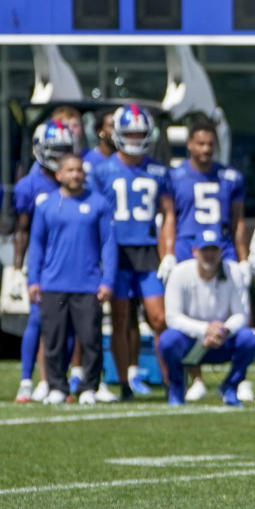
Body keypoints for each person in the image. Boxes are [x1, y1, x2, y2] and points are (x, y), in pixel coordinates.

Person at [90, 104, 175, 401]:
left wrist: (168, 253)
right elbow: (96, 218)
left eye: (141, 132)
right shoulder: (102, 170)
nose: (136, 137)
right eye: (131, 132)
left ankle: (170, 380)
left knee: (159, 318)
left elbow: (168, 213)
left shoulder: (159, 170)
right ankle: (125, 382)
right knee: (121, 317)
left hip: (148, 251)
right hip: (116, 252)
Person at [168, 117, 251, 403]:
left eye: (210, 144)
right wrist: (167, 253)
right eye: (200, 143)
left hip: (222, 246)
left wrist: (243, 258)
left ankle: (239, 380)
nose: (205, 149)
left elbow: (238, 220)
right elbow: (168, 217)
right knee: (184, 313)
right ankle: (195, 378)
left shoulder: (230, 177)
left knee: (242, 308)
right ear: (189, 144)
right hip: (188, 246)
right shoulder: (175, 176)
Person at [27, 154, 116, 405]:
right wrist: (33, 279)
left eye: (79, 170)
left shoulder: (99, 204)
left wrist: (107, 280)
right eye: (70, 170)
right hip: (53, 283)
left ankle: (89, 387)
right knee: (53, 339)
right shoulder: (46, 205)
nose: (75, 174)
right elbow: (37, 245)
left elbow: (108, 244)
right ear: (59, 175)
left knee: (90, 339)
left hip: (88, 284)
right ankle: (56, 386)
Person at [158, 231, 255, 406]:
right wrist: (205, 330)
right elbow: (172, 318)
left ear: (221, 252)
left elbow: (241, 314)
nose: (210, 255)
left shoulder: (233, 271)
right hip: (190, 340)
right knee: (167, 340)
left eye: (214, 250)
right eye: (205, 250)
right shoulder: (179, 273)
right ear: (195, 251)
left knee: (251, 338)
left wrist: (222, 330)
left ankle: (230, 386)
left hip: (222, 340)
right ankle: (177, 387)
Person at [12, 120, 74, 403]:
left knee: (69, 323)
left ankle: (59, 379)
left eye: (64, 150)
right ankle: (27, 380)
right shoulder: (29, 185)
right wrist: (17, 267)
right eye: (54, 150)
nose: (60, 156)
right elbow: (22, 229)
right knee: (37, 321)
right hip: (42, 262)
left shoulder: (76, 179)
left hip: (71, 260)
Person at [82, 107, 116, 175]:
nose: (116, 130)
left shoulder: (129, 160)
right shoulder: (88, 163)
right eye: (112, 126)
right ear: (100, 131)